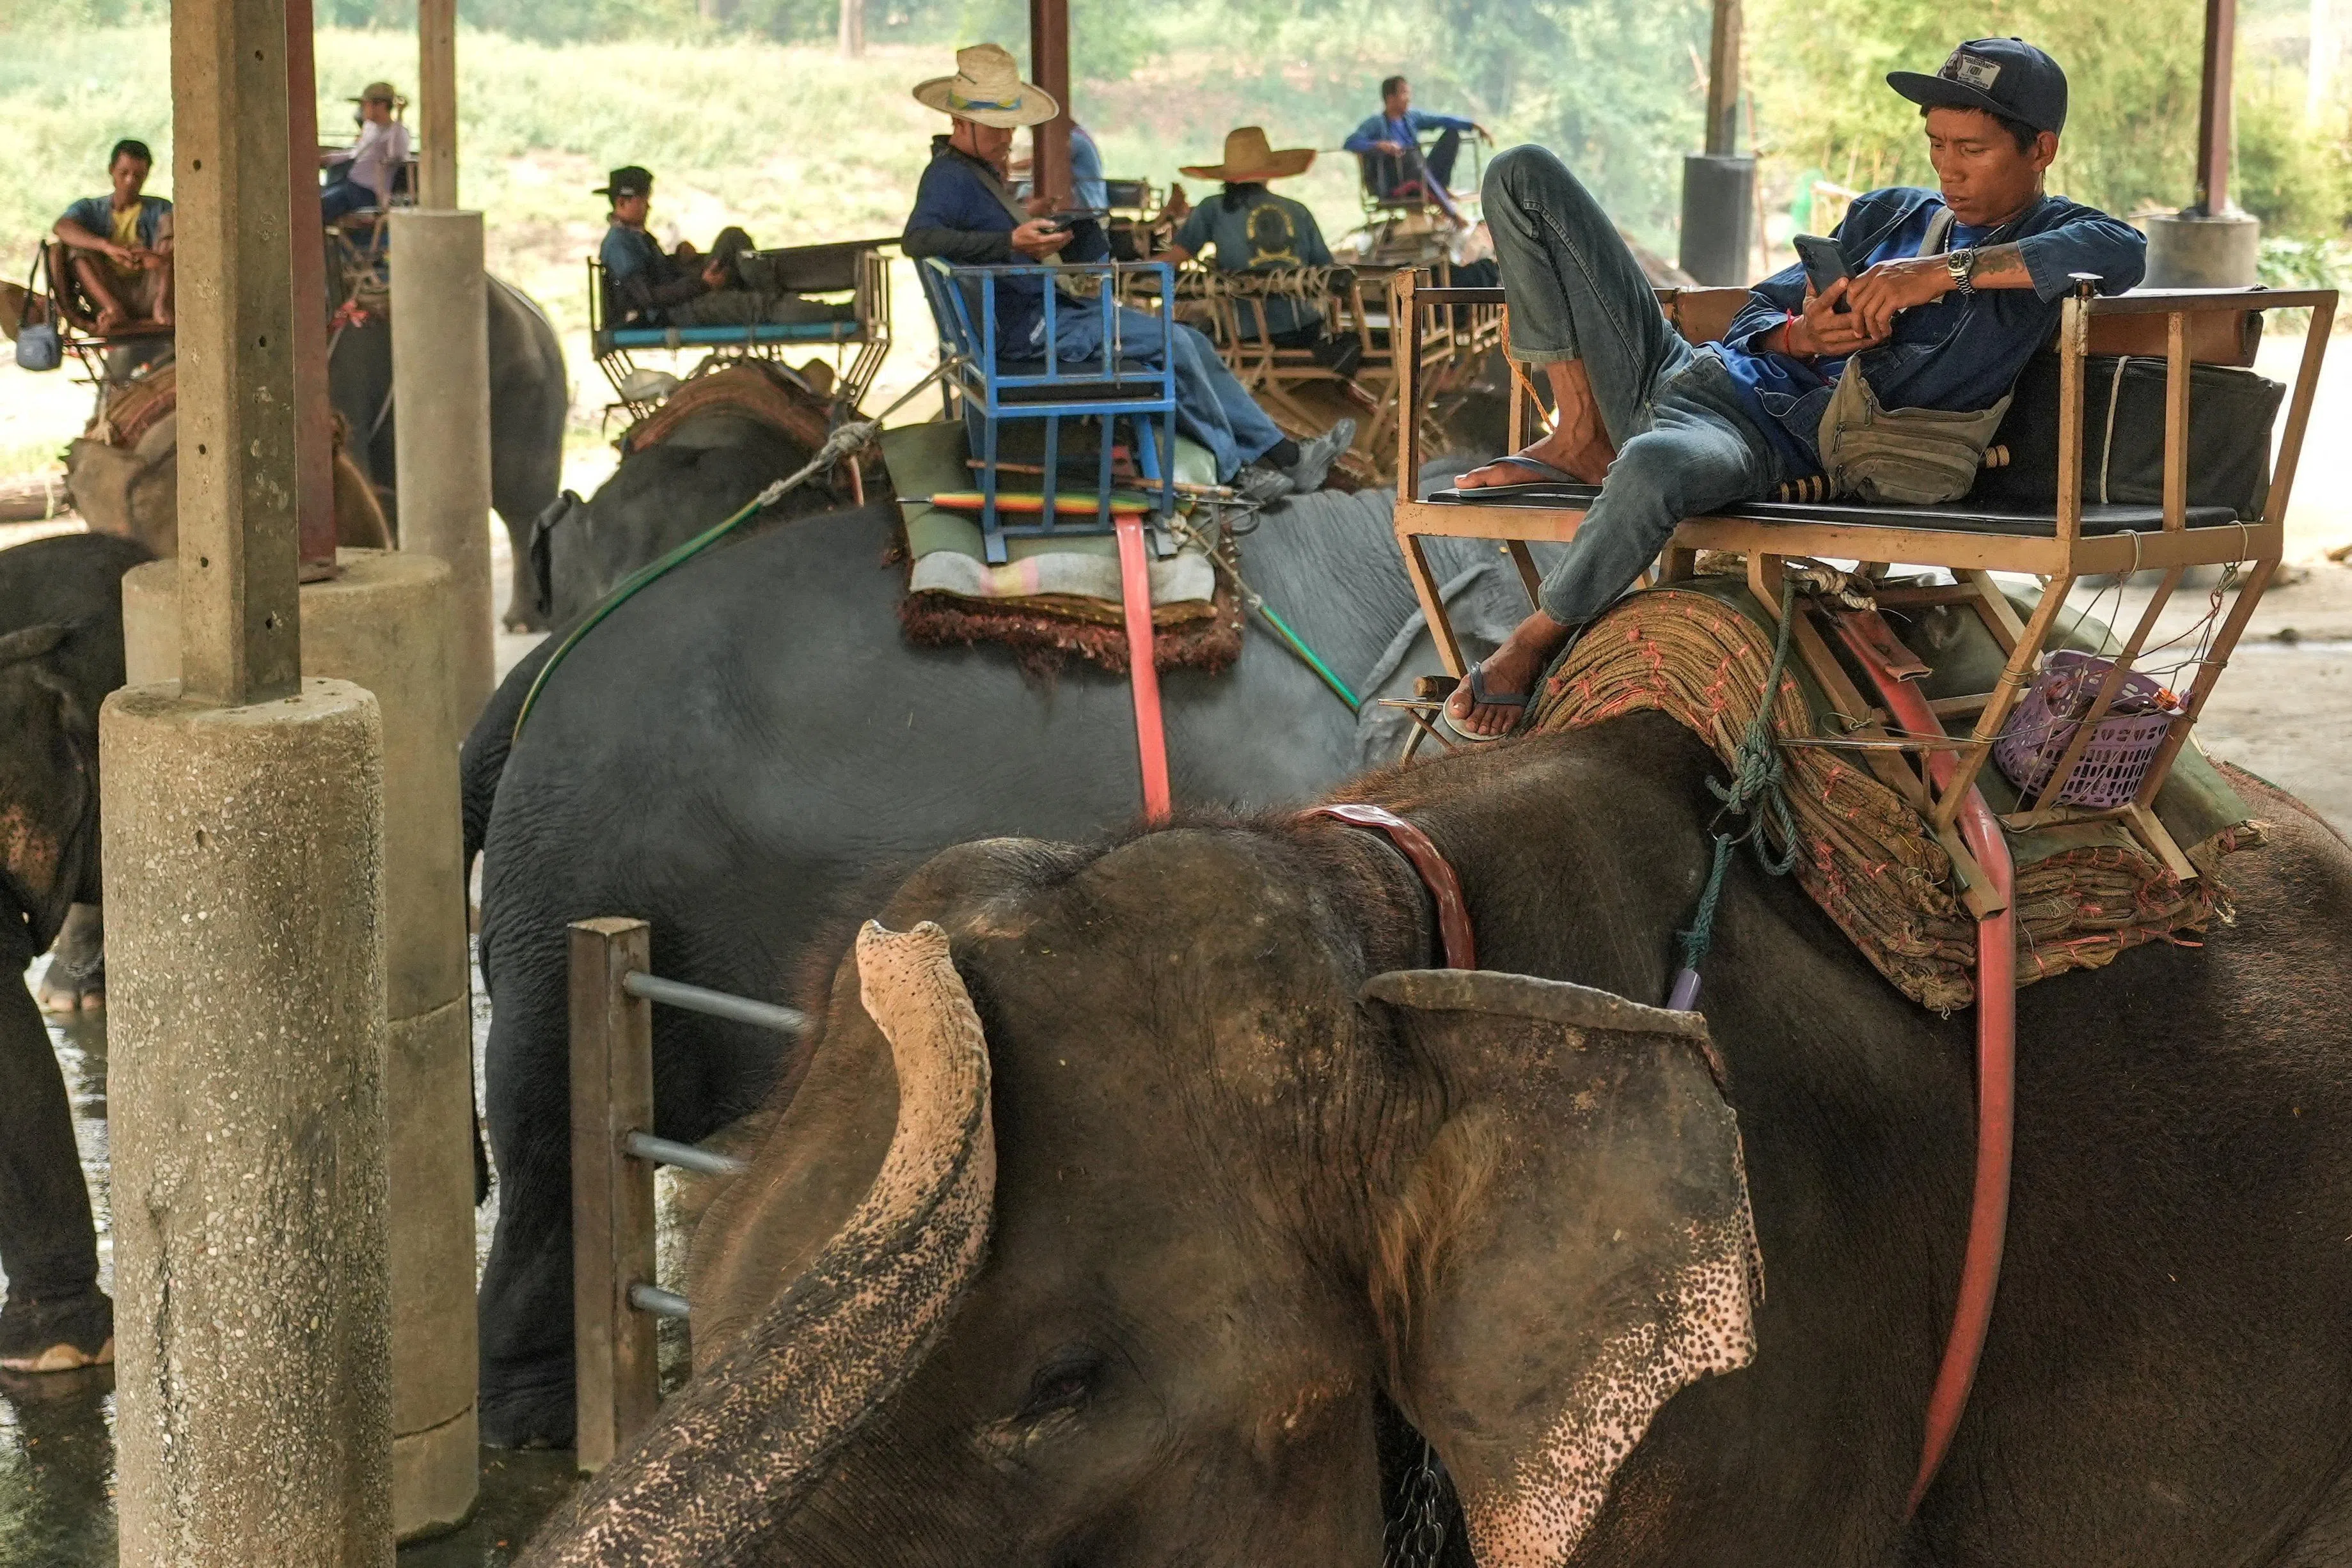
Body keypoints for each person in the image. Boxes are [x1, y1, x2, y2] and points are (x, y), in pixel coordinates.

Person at [1441, 37, 2146, 740]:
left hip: (1751, 439)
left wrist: (1937, 274)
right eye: (1936, 144)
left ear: (2039, 150)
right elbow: (1759, 308)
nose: (1947, 171)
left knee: (1654, 465)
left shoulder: (2055, 236)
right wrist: (1798, 335)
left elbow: (2121, 251)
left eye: (1971, 149)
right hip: (1686, 370)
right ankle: (1581, 433)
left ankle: (1534, 637)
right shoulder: (1889, 215)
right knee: (1519, 173)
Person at [903, 44, 1351, 501]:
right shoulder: (948, 178)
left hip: (1045, 315)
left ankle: (1283, 456)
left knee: (1189, 340)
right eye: (996, 128)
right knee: (1173, 342)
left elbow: (981, 244)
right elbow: (916, 240)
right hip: (1031, 331)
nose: (1008, 137)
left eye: (1010, 125)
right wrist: (1012, 242)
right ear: (960, 123)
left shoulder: (975, 175)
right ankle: (1241, 470)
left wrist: (1042, 239)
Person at [1165, 127, 1358, 377]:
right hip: (1305, 332)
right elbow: (1326, 272)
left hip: (1248, 335)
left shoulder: (1212, 208)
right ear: (1268, 175)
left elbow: (1174, 260)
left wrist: (1129, 272)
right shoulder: (1298, 210)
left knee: (1193, 331)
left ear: (1226, 177)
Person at [596, 166, 850, 329]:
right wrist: (704, 285)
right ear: (622, 202)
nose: (649, 207)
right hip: (675, 312)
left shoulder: (635, 237)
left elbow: (657, 273)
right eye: (643, 201)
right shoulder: (620, 245)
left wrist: (681, 261)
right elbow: (649, 298)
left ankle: (768, 294)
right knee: (761, 307)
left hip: (686, 292)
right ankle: (834, 313)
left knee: (732, 237)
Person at [53, 139, 172, 333]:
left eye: (138, 175)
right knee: (73, 245)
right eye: (124, 173)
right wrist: (106, 247)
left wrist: (154, 259)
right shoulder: (90, 209)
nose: (130, 181)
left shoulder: (161, 208)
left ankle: (162, 306)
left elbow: (173, 254)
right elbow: (61, 227)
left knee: (170, 225)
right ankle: (113, 309)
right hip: (108, 290)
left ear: (147, 175)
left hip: (151, 290)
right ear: (111, 170)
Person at [1343, 75, 1491, 218]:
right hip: (1398, 180)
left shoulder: (1411, 118)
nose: (1409, 98)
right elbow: (1350, 143)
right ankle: (1452, 214)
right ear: (1391, 98)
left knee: (1452, 134)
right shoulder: (1376, 123)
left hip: (1422, 172)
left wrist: (1473, 125)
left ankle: (1440, 188)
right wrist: (1380, 145)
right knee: (1410, 157)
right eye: (1404, 93)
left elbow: (1441, 120)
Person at [319, 81, 411, 223]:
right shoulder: (370, 127)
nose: (362, 109)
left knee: (320, 208)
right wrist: (328, 158)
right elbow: (355, 154)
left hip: (367, 193)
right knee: (314, 200)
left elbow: (397, 155)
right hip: (348, 185)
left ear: (380, 106)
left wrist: (399, 117)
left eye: (365, 105)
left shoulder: (398, 132)